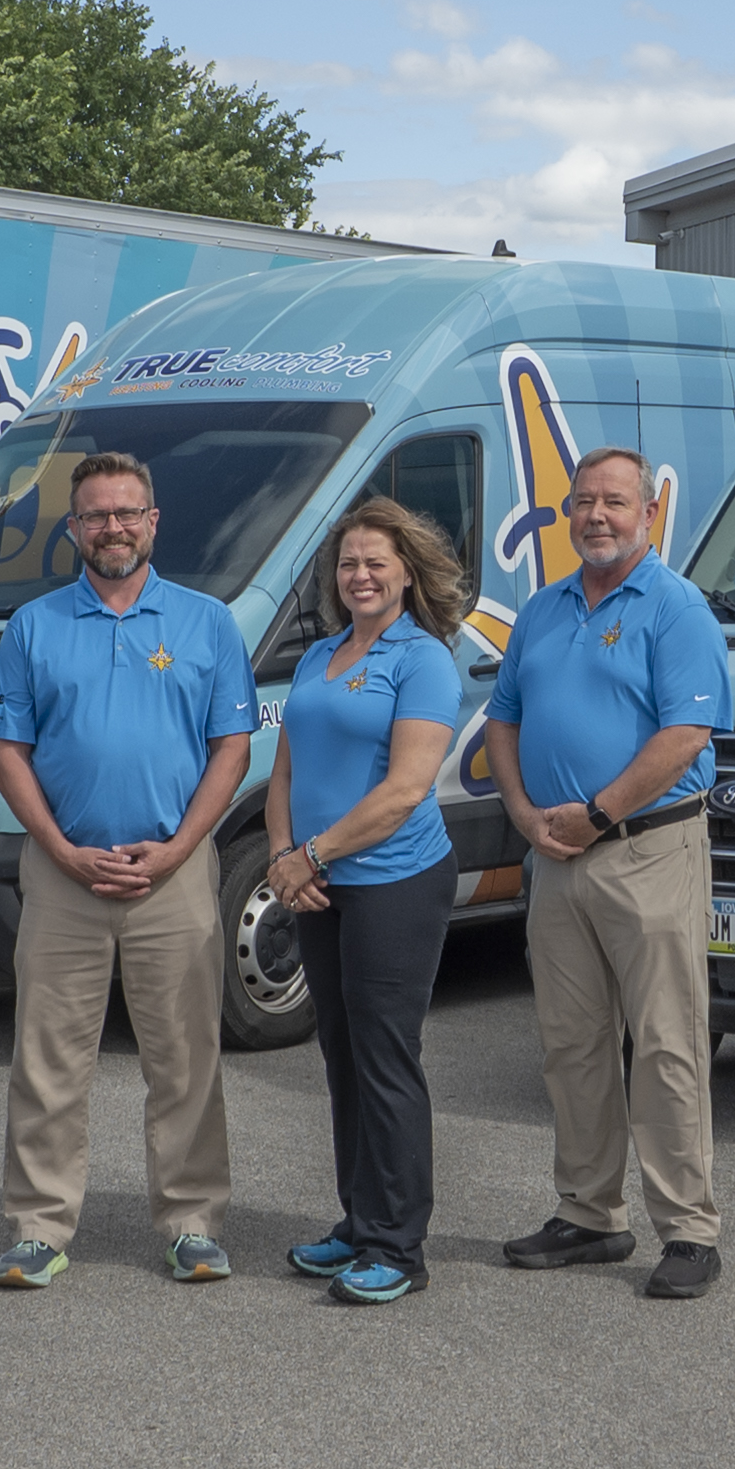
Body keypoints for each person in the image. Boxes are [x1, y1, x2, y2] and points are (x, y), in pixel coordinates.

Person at [0, 451, 256, 1289]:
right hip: (65, 872)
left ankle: (191, 1223)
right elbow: (6, 750)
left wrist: (177, 849)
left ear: (153, 522)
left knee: (184, 1057)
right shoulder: (33, 625)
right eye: (96, 515)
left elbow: (231, 750)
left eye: (127, 513)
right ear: (73, 529)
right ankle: (38, 1227)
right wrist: (61, 848)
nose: (112, 528)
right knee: (47, 1058)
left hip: (170, 874)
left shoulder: (208, 622)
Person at [481, 447, 732, 1300]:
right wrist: (522, 812)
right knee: (572, 1044)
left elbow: (684, 738)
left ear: (649, 513)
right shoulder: (543, 611)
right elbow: (503, 720)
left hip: (649, 849)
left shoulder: (676, 608)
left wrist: (597, 812)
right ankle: (590, 1213)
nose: (597, 516)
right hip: (555, 857)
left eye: (615, 502)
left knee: (665, 1043)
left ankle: (690, 1232)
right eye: (583, 501)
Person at [264, 499, 466, 1306]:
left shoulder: (424, 661)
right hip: (319, 882)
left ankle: (398, 1245)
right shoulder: (318, 657)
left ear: (407, 572)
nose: (360, 576)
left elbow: (405, 790)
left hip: (393, 882)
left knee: (386, 1058)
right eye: (348, 563)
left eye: (376, 562)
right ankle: (359, 1218)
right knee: (341, 1055)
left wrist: (309, 855)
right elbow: (283, 771)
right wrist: (284, 857)